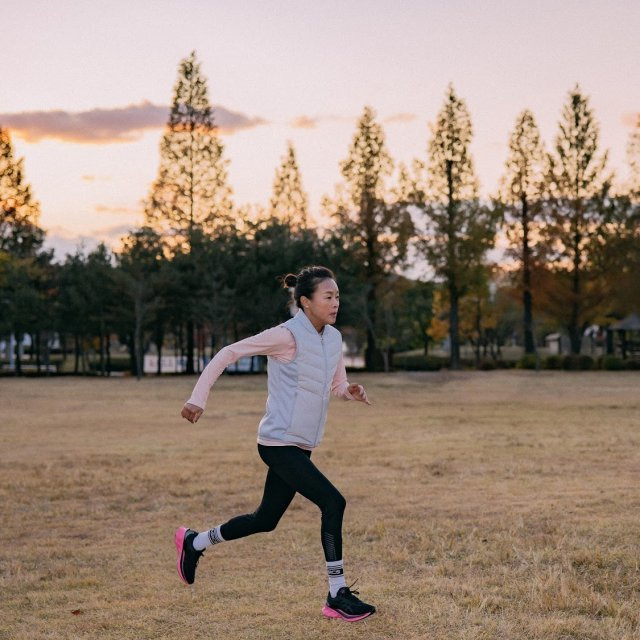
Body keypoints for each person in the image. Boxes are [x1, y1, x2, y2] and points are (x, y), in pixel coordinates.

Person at [175, 265, 376, 622]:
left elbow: (335, 384)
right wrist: (197, 398)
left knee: (265, 519)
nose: (335, 303)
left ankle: (196, 541)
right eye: (328, 296)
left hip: (301, 445)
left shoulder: (332, 338)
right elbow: (227, 353)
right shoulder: (285, 336)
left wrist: (350, 391)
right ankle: (336, 594)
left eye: (338, 296)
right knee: (333, 502)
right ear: (305, 302)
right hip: (277, 442)